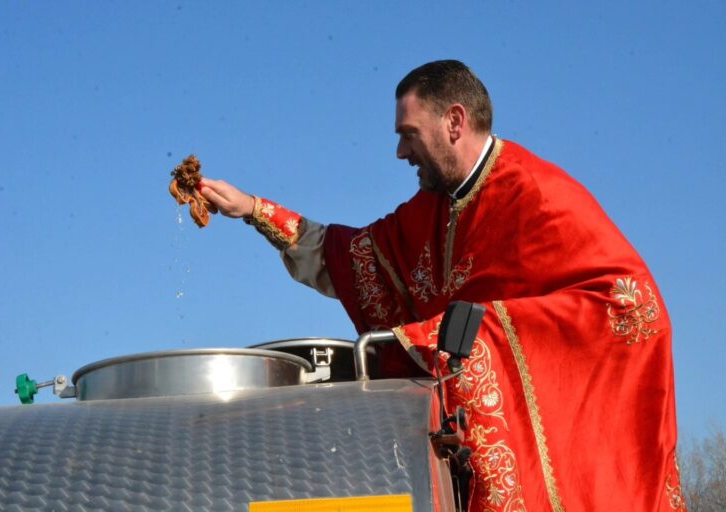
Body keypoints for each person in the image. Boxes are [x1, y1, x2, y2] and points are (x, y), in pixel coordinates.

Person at [197, 60, 685, 511]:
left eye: (409, 134)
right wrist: (252, 209)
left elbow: (635, 309)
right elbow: (349, 259)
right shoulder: (430, 209)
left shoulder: (538, 196)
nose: (400, 152)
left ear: (454, 122)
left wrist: (480, 339)